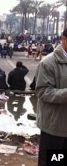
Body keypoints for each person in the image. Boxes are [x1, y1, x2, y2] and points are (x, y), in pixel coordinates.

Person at [35, 28, 67, 166]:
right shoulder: (48, 63)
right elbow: (43, 92)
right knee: (52, 161)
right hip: (55, 127)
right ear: (63, 39)